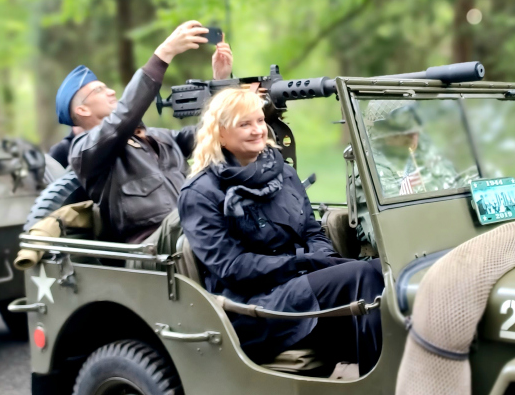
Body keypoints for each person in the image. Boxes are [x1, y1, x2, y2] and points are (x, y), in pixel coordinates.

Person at [178, 87, 385, 374]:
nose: (257, 130)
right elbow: (232, 267)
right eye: (244, 124)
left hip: (299, 284)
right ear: (220, 134)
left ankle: (407, 372)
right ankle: (382, 388)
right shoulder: (200, 192)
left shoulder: (281, 172)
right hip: (252, 305)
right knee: (360, 275)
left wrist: (323, 259)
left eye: (260, 121)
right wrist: (304, 264)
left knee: (381, 268)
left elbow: (311, 230)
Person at [59, 20, 233, 244]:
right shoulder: (84, 150)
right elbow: (123, 116)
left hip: (191, 229)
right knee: (202, 231)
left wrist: (221, 83)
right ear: (81, 109)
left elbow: (209, 133)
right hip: (151, 248)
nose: (111, 92)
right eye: (99, 90)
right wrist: (164, 53)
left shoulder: (157, 137)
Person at [355, 100, 467, 252]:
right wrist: (404, 201)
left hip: (443, 245)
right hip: (395, 263)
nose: (414, 133)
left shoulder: (422, 155)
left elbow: (458, 188)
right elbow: (385, 240)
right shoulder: (369, 168)